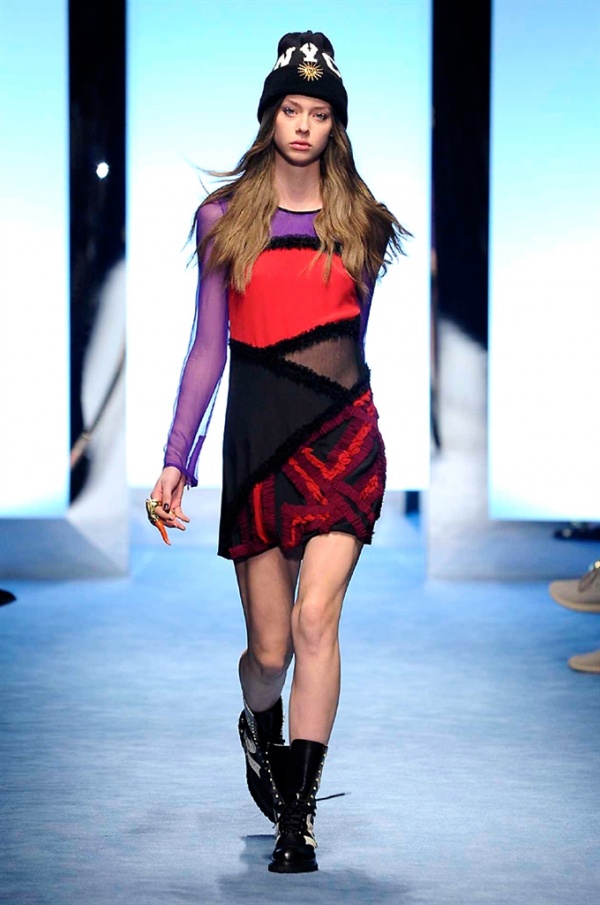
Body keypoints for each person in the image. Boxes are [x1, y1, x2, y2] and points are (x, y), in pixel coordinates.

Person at [146, 31, 409, 873]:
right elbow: (207, 347)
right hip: (258, 447)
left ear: (336, 126)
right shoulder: (223, 220)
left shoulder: (364, 224)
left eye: (318, 112)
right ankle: (259, 728)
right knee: (269, 652)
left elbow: (350, 342)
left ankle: (299, 817)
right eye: (290, 109)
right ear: (270, 117)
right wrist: (177, 458)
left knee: (313, 619)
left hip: (343, 438)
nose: (302, 124)